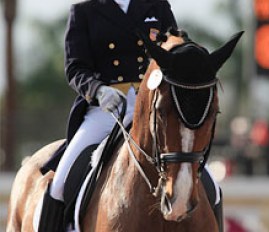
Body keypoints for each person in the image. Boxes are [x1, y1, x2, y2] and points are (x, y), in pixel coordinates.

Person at [38, 0, 224, 231]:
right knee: (59, 183)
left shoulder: (157, 7)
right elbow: (75, 67)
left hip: (156, 108)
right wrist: (97, 90)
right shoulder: (84, 10)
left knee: (212, 187)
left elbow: (175, 53)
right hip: (106, 108)